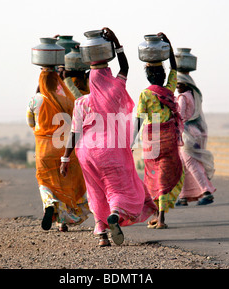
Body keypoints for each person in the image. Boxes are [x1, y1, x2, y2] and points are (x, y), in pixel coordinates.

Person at [60, 27, 157, 247]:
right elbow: (125, 67)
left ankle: (102, 234)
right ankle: (115, 213)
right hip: (110, 149)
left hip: (86, 152)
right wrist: (116, 43)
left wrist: (65, 159)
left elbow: (75, 132)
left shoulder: (81, 102)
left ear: (90, 79)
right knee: (117, 188)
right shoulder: (115, 89)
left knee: (95, 189)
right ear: (107, 75)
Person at [26, 66, 90, 232]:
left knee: (45, 181)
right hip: (64, 148)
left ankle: (49, 204)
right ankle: (62, 221)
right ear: (58, 82)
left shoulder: (34, 100)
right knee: (66, 181)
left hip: (44, 151)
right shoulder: (67, 100)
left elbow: (31, 123)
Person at [133, 33, 184, 229]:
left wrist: (130, 142)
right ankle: (160, 217)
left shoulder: (145, 94)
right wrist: (169, 45)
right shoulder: (169, 90)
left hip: (151, 137)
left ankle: (157, 215)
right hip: (168, 136)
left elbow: (139, 119)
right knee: (165, 175)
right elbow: (175, 68)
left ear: (148, 77)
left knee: (153, 175)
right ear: (163, 77)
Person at [175, 72, 216, 206]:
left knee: (191, 164)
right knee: (184, 165)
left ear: (186, 84)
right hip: (196, 133)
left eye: (179, 84)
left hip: (186, 135)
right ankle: (183, 196)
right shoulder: (193, 96)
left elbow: (180, 117)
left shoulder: (182, 97)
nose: (176, 86)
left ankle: (206, 192)